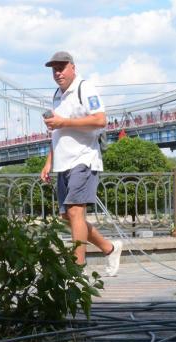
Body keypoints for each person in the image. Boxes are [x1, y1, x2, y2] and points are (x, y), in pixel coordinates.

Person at [40, 51, 121, 276]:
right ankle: (109, 248)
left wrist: (64, 121)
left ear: (73, 67)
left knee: (76, 212)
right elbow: (57, 133)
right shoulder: (57, 95)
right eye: (54, 69)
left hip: (83, 159)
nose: (58, 72)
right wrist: (48, 162)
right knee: (67, 216)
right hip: (62, 162)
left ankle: (77, 270)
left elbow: (100, 119)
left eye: (62, 67)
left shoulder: (85, 89)